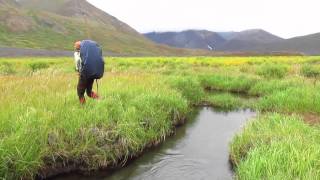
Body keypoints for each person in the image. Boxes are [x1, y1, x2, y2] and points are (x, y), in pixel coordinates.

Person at [74, 40, 105, 104]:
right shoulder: (88, 53)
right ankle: (101, 100)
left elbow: (78, 63)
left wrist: (78, 71)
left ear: (78, 47)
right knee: (89, 92)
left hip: (84, 74)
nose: (74, 47)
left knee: (80, 92)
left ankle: (83, 108)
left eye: (75, 46)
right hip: (91, 74)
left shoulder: (78, 53)